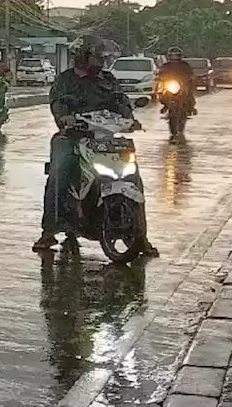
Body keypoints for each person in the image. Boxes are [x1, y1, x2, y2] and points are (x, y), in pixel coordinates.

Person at [35, 36, 157, 256]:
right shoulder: (66, 80)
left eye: (103, 56)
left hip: (106, 139)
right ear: (82, 57)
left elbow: (121, 101)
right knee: (60, 172)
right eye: (96, 56)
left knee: (134, 177)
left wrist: (130, 118)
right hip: (73, 137)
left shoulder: (108, 80)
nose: (101, 60)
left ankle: (141, 236)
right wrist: (65, 118)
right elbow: (58, 102)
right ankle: (49, 231)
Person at [156, 46, 196, 117]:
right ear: (169, 56)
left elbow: (190, 73)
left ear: (180, 56)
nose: (174, 57)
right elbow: (161, 73)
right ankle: (166, 105)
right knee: (163, 93)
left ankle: (191, 107)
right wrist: (160, 78)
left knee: (189, 92)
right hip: (170, 84)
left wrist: (189, 78)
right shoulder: (166, 65)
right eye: (173, 56)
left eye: (176, 55)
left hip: (182, 84)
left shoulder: (184, 65)